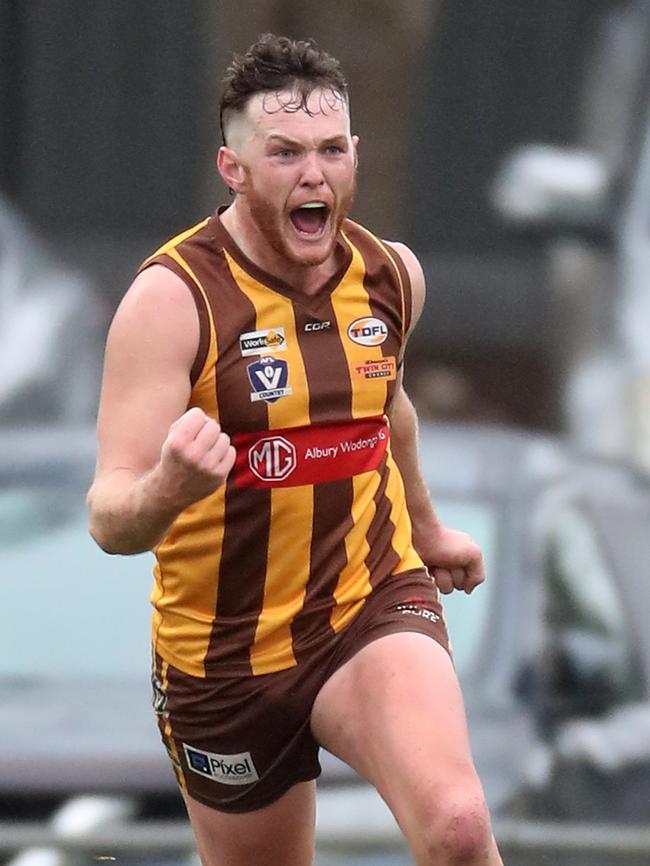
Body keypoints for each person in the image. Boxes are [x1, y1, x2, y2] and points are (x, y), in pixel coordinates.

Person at [87, 33, 504, 866]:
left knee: (458, 828)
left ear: (354, 155)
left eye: (331, 150)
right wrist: (169, 485)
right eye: (284, 153)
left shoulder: (391, 276)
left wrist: (424, 529)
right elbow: (109, 518)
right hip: (224, 654)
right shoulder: (172, 301)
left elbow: (386, 405)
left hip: (368, 606)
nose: (314, 175)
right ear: (233, 169)